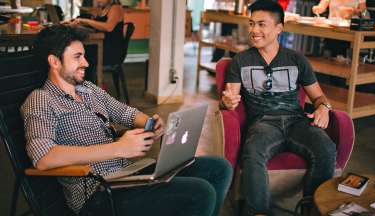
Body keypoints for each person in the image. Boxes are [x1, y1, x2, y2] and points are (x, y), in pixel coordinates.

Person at [21, 24, 232, 216]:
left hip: (126, 176)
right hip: (97, 194)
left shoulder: (88, 89)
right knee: (200, 193)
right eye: (77, 57)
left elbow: (125, 113)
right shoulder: (41, 99)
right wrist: (119, 148)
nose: (85, 62)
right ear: (54, 61)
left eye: (84, 56)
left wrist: (150, 123)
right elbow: (44, 158)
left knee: (219, 168)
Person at [221, 0, 336, 215]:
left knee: (326, 148)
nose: (254, 30)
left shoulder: (297, 59)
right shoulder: (240, 60)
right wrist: (226, 102)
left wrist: (324, 108)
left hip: (297, 121)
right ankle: (258, 212)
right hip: (263, 123)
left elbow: (319, 96)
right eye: (252, 24)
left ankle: (312, 210)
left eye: (262, 24)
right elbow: (230, 96)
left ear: (279, 28)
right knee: (253, 151)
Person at [71, 0, 125, 67]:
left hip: (112, 51)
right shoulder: (104, 8)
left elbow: (108, 27)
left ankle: (87, 76)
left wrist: (87, 21)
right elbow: (97, 26)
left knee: (81, 52)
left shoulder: (116, 8)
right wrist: (76, 22)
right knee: (78, 49)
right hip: (104, 45)